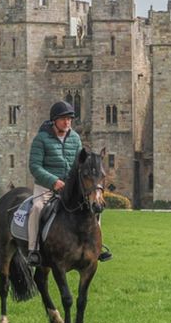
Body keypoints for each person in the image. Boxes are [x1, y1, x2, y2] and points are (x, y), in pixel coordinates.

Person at [26, 100, 111, 266]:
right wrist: (53, 181)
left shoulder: (75, 138)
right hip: (46, 187)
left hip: (69, 188)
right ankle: (33, 250)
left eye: (69, 119)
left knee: (95, 207)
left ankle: (97, 247)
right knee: (36, 208)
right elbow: (35, 166)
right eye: (64, 119)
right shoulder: (41, 139)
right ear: (54, 121)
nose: (67, 122)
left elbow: (79, 164)